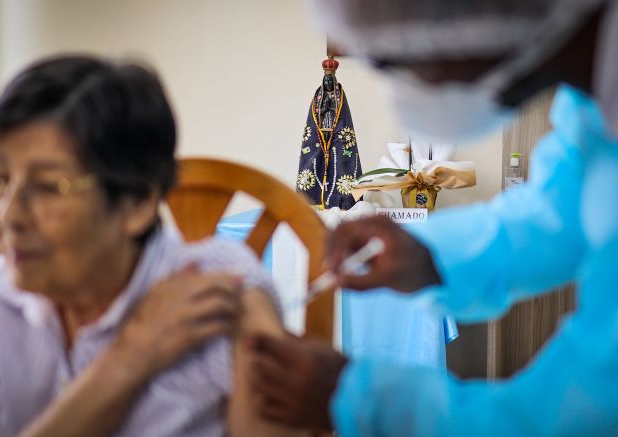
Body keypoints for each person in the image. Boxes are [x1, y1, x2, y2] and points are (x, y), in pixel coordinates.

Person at [249, 0, 618, 435]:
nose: (401, 91)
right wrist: (427, 255)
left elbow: (578, 418)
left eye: (395, 60)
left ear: (476, 18)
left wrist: (358, 401)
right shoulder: (591, 101)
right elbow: (557, 212)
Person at [0, 55, 299, 437]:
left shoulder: (221, 294)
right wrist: (127, 359)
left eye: (48, 186)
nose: (9, 215)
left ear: (138, 203)